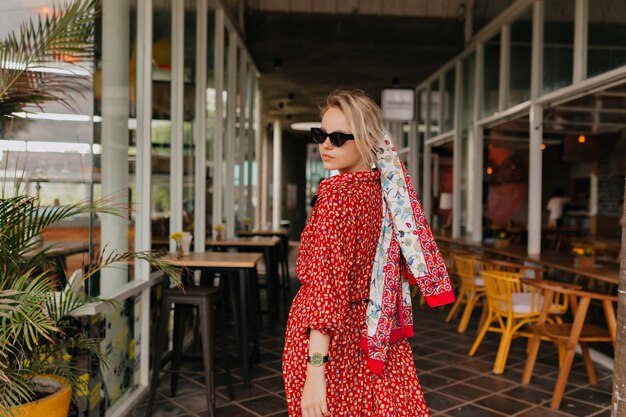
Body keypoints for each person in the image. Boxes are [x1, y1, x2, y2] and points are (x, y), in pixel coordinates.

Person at [282, 89, 455, 417]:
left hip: (330, 341)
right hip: (373, 329)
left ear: (366, 140)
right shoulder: (384, 192)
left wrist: (315, 371)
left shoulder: (337, 199)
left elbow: (326, 292)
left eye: (338, 137)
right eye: (320, 134)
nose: (326, 145)